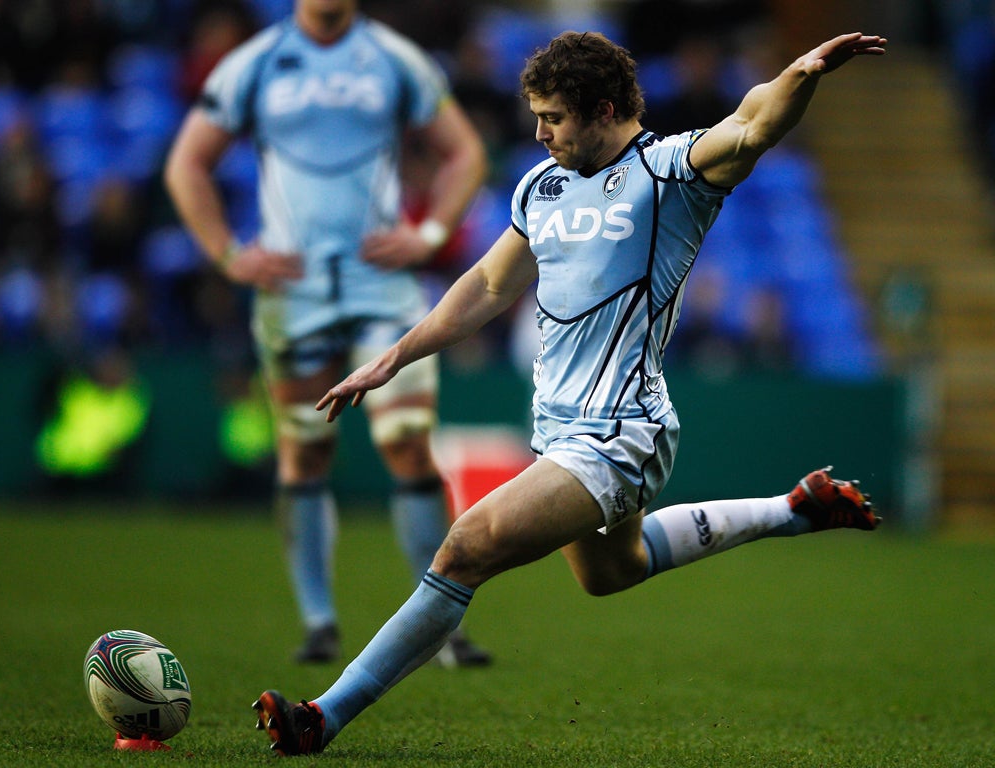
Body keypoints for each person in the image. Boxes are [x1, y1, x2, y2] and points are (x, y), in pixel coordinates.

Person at [251, 30, 887, 755]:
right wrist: (392, 358)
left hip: (621, 431)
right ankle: (792, 509)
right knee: (612, 572)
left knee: (463, 550)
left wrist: (802, 73)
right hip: (559, 429)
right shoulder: (541, 184)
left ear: (603, 109)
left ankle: (321, 717)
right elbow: (489, 285)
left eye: (553, 116)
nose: (538, 131)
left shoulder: (670, 172)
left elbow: (752, 123)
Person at [163, 0, 491, 666]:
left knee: (406, 444)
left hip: (383, 290)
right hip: (293, 293)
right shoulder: (254, 64)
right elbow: (185, 164)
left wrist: (428, 233)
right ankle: (318, 621)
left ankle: (441, 630)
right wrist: (229, 254)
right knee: (304, 454)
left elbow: (466, 152)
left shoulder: (394, 59)